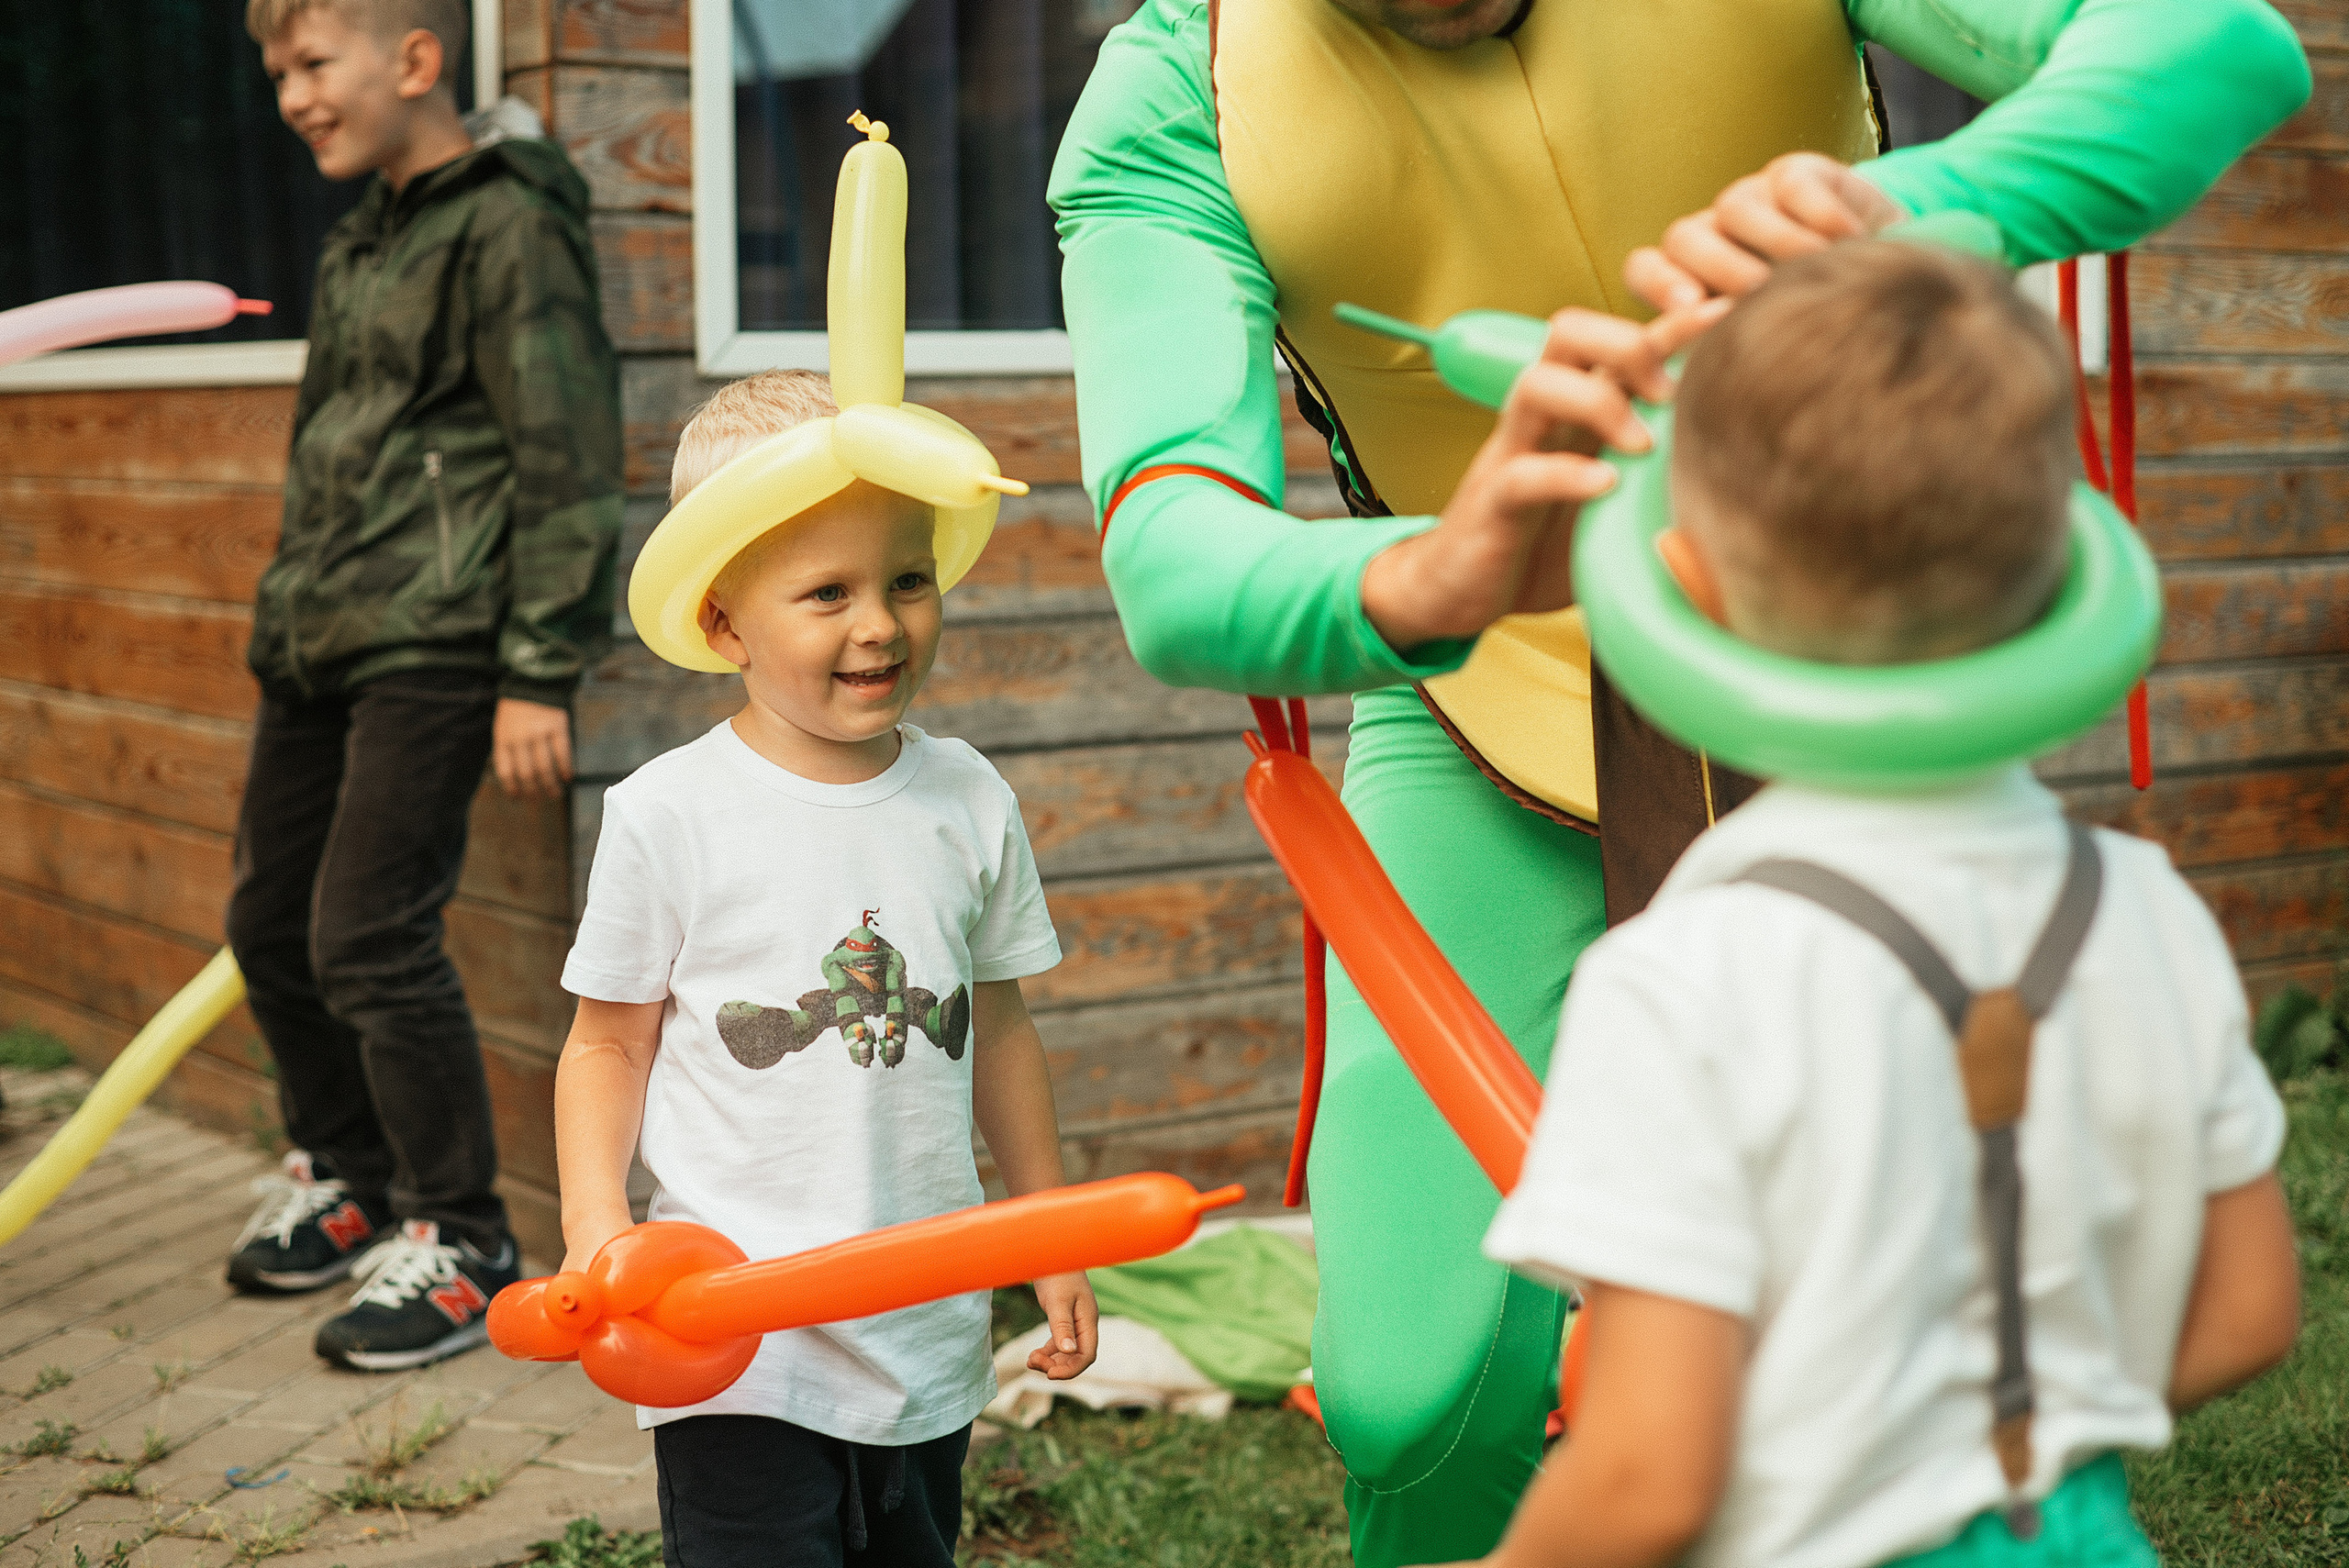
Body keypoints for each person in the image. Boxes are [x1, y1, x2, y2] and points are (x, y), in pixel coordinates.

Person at [1048, 0, 2309, 1560]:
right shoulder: (1173, 94)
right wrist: (1438, 570)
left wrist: (1906, 220)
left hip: (1827, 666)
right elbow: (1173, 557)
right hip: (1469, 691)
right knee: (1409, 1389)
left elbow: (2215, 44)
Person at [1467, 239, 2304, 1568]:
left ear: (1690, 586)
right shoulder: (2147, 905)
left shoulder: (1688, 970)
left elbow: (1645, 1477)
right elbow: (2251, 1308)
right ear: (2058, 577)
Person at [554, 372, 1099, 1568]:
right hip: (735, 1331)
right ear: (723, 621)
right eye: (826, 592)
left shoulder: (968, 797)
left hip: (927, 1312)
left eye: (908, 578)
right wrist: (598, 1224)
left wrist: (1047, 1228)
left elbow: (996, 1030)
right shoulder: (670, 814)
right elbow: (607, 1042)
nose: (880, 623)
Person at [222, 0, 622, 1372]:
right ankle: (351, 1173)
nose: (290, 95)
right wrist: (287, 614)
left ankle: (461, 1234)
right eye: (276, 71)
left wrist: (536, 670)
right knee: (271, 923)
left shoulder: (508, 222)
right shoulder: (361, 240)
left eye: (312, 63)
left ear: (414, 59)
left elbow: (565, 450)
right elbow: (331, 453)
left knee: (368, 934)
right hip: (322, 636)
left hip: (443, 641)